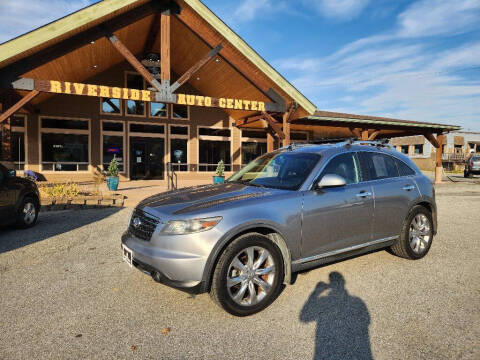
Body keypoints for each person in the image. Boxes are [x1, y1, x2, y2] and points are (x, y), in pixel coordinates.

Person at [300, 272, 373, 360]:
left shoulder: (323, 301)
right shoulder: (357, 301)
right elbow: (366, 321)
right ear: (343, 282)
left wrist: (316, 292)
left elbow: (304, 317)